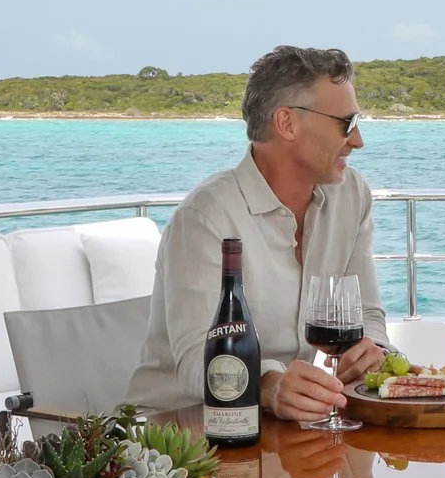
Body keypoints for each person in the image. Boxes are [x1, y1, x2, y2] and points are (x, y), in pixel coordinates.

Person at [129, 44, 387, 421]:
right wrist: (268, 386)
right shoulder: (204, 217)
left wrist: (374, 350)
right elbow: (193, 363)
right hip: (179, 435)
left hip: (275, 429)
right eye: (345, 123)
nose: (358, 140)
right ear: (287, 124)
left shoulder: (352, 196)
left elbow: (367, 313)